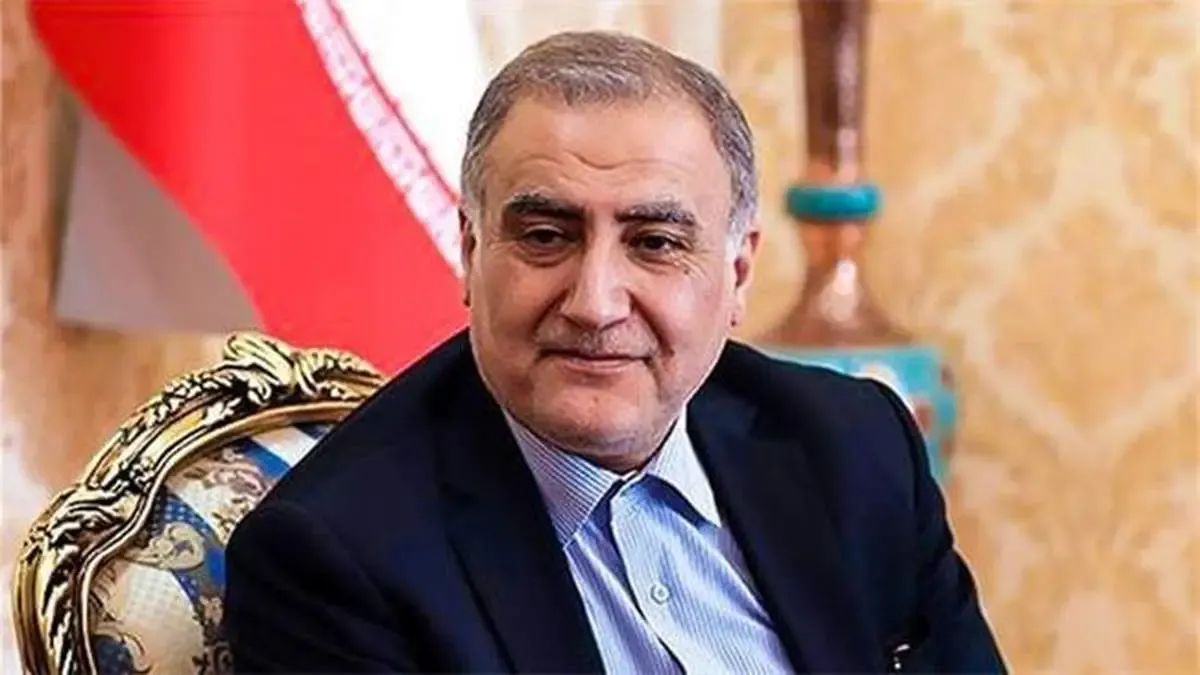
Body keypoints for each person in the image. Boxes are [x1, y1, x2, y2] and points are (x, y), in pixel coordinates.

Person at [223, 30, 1006, 674]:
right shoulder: (335, 555)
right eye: (545, 236)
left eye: (655, 242)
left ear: (737, 273)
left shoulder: (857, 446)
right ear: (471, 249)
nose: (594, 303)